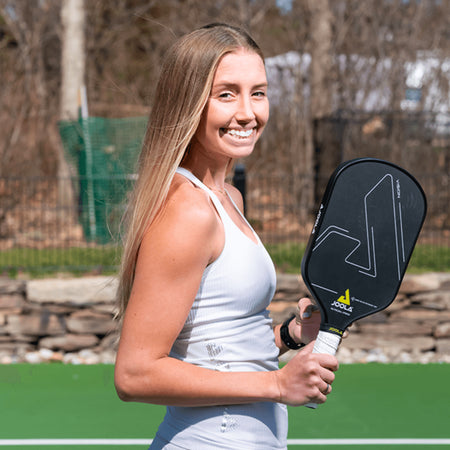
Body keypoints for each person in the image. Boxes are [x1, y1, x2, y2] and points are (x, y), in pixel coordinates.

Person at [114, 23, 339, 449]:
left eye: (258, 92)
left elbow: (221, 350)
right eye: (226, 94)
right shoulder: (188, 212)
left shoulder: (228, 197)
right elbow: (134, 374)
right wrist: (277, 385)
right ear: (189, 104)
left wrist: (290, 337)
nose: (248, 113)